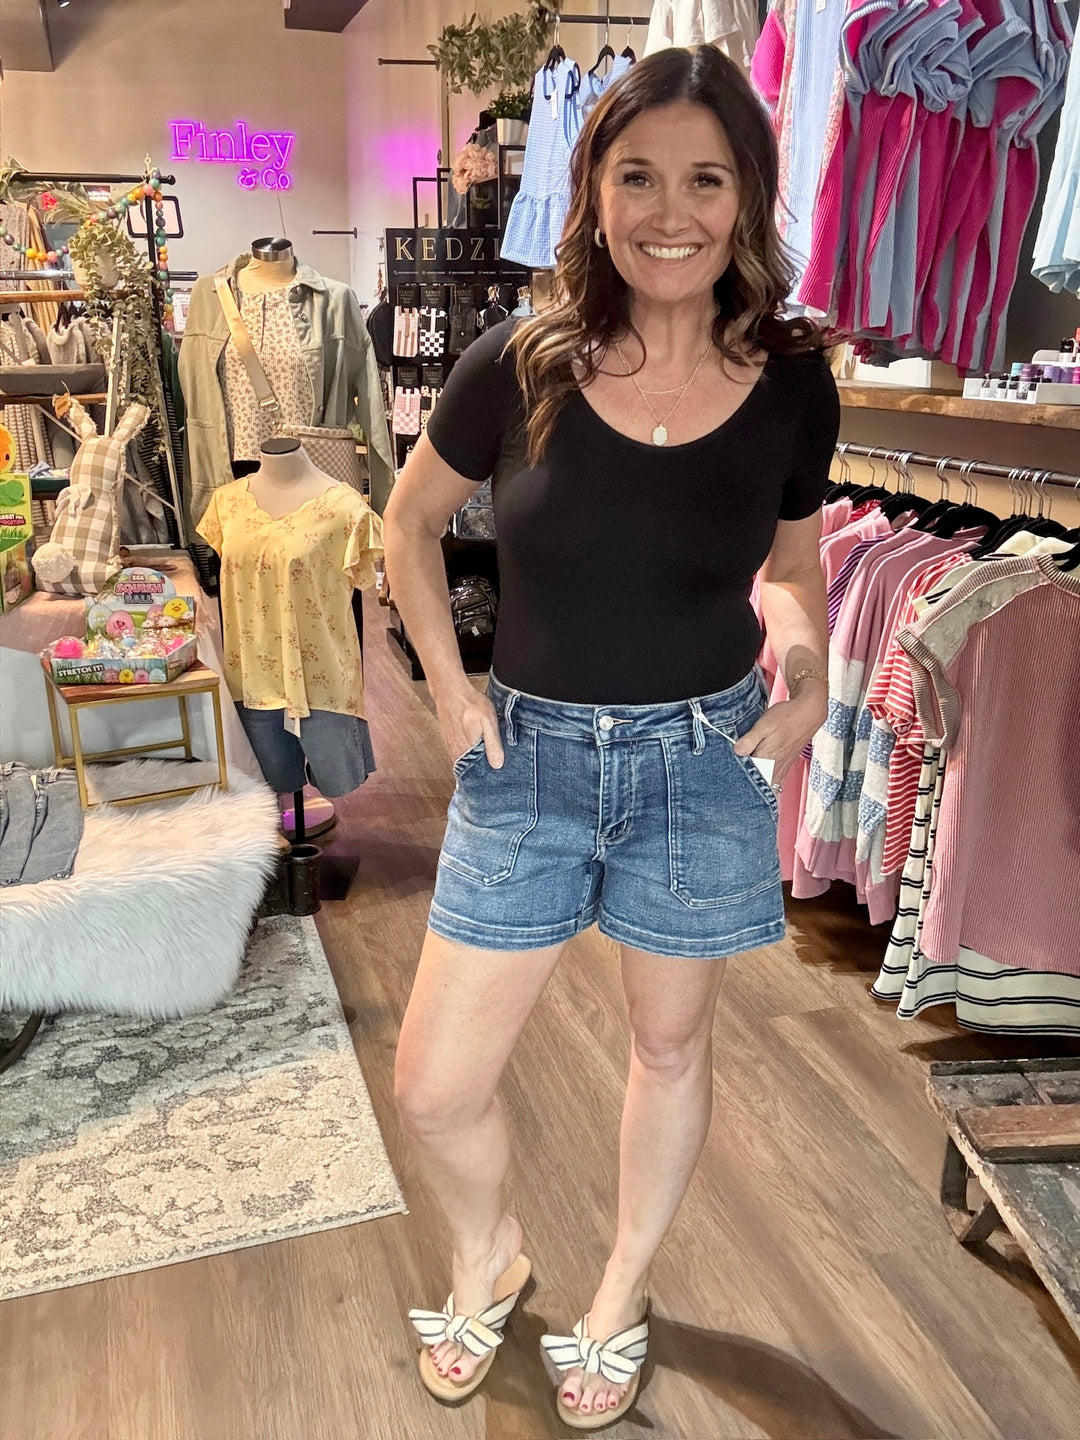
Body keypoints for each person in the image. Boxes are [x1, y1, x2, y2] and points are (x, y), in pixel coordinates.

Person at [384, 43, 839, 1430]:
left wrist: (807, 660)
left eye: (706, 179)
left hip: (703, 759)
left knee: (669, 1050)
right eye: (637, 176)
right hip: (524, 763)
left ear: (747, 195)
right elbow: (406, 525)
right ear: (592, 190)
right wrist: (448, 685)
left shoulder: (795, 380)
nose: (670, 212)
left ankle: (622, 1292)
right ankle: (490, 1255)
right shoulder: (519, 361)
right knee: (435, 1087)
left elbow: (793, 569)